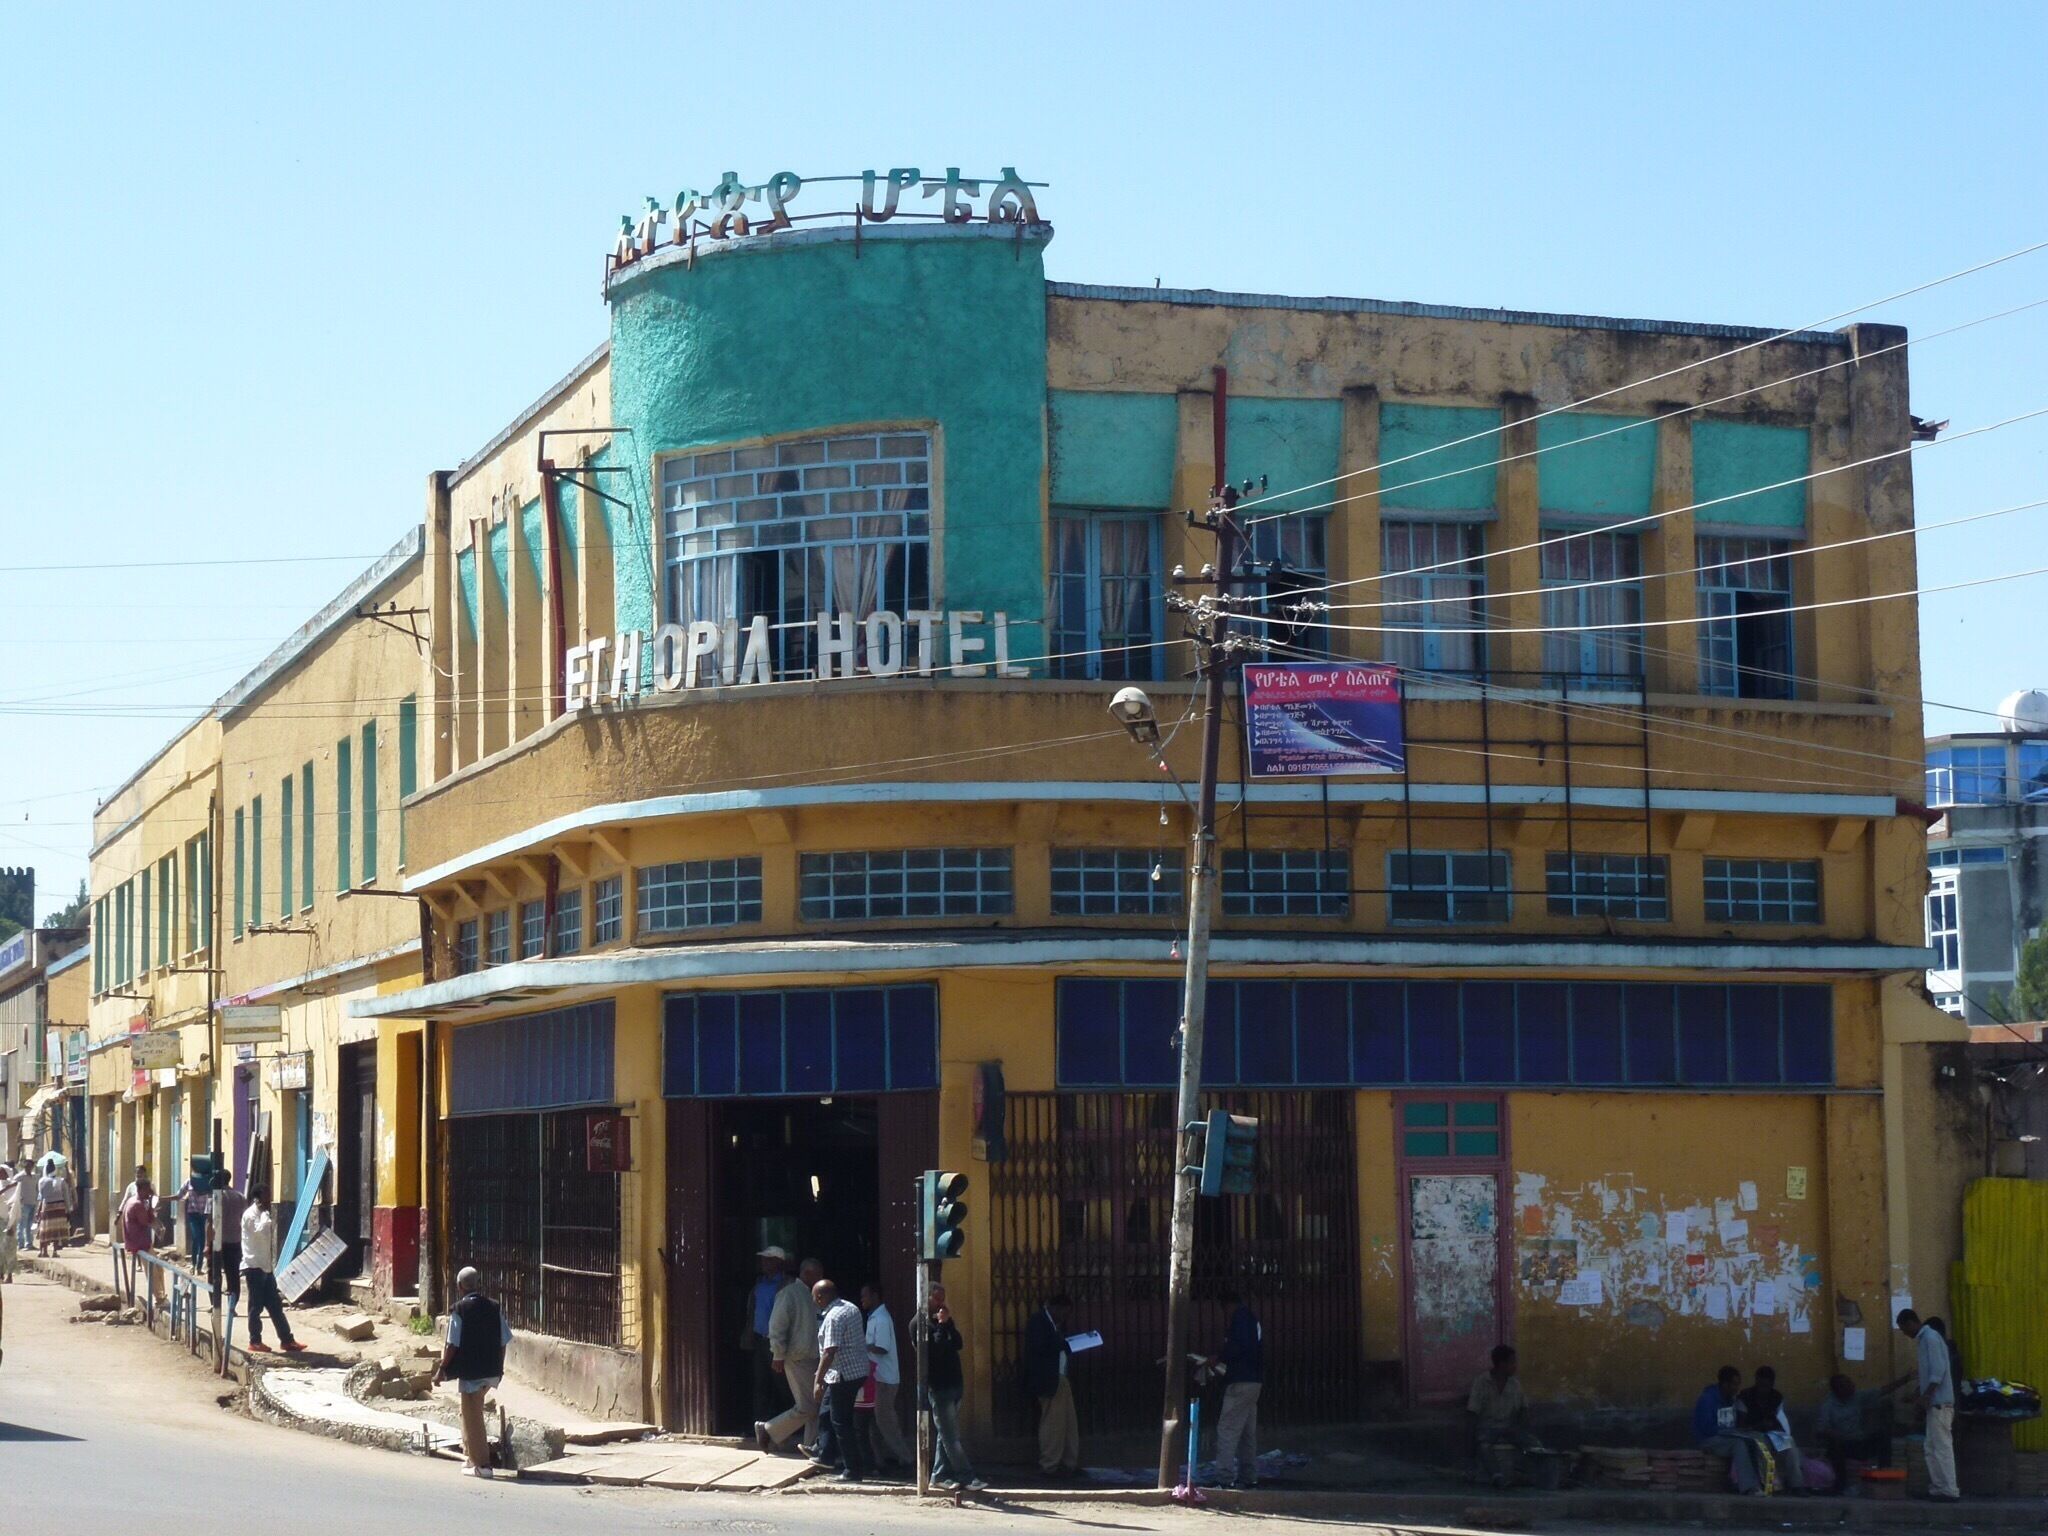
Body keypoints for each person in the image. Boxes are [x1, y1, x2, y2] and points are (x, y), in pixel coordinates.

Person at [438, 1266, 512, 1478]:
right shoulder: (493, 1307)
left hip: (471, 1373)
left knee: (473, 1417)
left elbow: (452, 1344)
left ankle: (483, 1465)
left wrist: (442, 1369)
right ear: (477, 1284)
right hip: (491, 1371)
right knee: (468, 1411)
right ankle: (470, 1457)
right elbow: (504, 1341)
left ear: (459, 1286)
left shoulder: (459, 1310)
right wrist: (499, 1368)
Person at [915, 1281, 984, 1491]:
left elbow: (957, 1343)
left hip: (954, 1384)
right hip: (939, 1387)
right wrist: (942, 1326)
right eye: (936, 1298)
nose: (940, 1303)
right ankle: (967, 1476)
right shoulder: (919, 1324)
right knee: (951, 1437)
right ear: (926, 1298)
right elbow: (934, 1351)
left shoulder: (943, 1321)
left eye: (942, 1299)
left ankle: (939, 1475)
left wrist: (947, 1324)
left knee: (945, 1435)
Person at [757, 1257, 824, 1456]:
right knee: (808, 1406)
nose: (821, 1279)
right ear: (808, 1274)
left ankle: (813, 1447)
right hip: (797, 1357)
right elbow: (777, 1326)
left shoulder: (813, 1295)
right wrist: (778, 1354)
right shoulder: (789, 1293)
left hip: (812, 1357)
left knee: (816, 1406)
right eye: (818, 1275)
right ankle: (769, 1429)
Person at [811, 1278, 872, 1484]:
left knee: (841, 1422)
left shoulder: (833, 1317)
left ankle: (852, 1469)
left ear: (820, 1297)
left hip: (844, 1375)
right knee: (826, 1410)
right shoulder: (850, 1307)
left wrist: (818, 1380)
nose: (814, 1302)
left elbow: (829, 1352)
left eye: (814, 1297)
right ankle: (824, 1452)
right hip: (854, 1371)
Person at [1897, 1309, 1959, 1500]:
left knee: (1941, 1448)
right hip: (1934, 1404)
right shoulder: (1926, 1339)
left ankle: (1949, 1490)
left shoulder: (1930, 1338)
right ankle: (1938, 1488)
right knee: (1931, 1449)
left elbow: (1938, 1372)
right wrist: (1920, 1394)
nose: (1905, 1333)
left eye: (1904, 1329)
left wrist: (1926, 1396)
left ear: (1910, 1323)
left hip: (1940, 1403)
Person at [239, 1185, 305, 1355]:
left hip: (265, 1267)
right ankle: (255, 1341)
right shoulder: (250, 1215)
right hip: (254, 1266)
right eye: (266, 1195)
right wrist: (264, 1215)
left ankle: (287, 1340)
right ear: (258, 1198)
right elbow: (260, 1232)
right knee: (255, 1307)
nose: (269, 1199)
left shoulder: (262, 1214)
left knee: (275, 1306)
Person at [1209, 1291, 1265, 1489]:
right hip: (1254, 1381)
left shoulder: (1240, 1319)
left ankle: (1224, 1477)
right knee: (1247, 1432)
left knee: (1228, 1429)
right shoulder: (1251, 1319)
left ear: (1228, 1305)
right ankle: (1249, 1475)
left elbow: (1237, 1347)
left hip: (1240, 1380)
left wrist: (1218, 1357)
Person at [1024, 1292, 1081, 1480]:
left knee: (1069, 1423)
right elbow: (1041, 1347)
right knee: (1053, 1424)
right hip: (1049, 1380)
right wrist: (1063, 1344)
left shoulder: (1053, 1324)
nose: (1065, 1316)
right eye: (1064, 1312)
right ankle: (1049, 1465)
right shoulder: (1039, 1322)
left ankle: (1069, 1462)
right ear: (1055, 1308)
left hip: (1060, 1378)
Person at [861, 1281, 913, 1473]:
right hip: (877, 1377)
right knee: (875, 1422)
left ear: (875, 1296)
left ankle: (907, 1459)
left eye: (865, 1295)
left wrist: (862, 1347)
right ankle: (879, 1460)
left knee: (886, 1422)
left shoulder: (881, 1319)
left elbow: (881, 1348)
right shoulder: (875, 1317)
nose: (862, 1299)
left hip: (884, 1378)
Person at [1815, 1373, 1896, 1491]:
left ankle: (1884, 1473)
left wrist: (1906, 1379)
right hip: (1842, 1444)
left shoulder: (1857, 1396)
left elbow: (1882, 1391)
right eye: (1847, 1384)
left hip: (1859, 1442)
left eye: (1850, 1382)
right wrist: (1833, 1434)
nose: (1852, 1385)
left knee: (1882, 1435)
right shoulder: (1828, 1405)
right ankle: (1840, 1485)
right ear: (1839, 1389)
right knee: (1835, 1446)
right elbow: (1821, 1428)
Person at [742, 1247, 793, 1423]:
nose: (764, 1263)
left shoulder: (788, 1284)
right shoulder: (760, 1283)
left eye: (769, 1259)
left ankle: (789, 1423)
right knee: (760, 1383)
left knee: (782, 1383)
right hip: (760, 1340)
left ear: (779, 1262)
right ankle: (760, 1423)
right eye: (763, 1259)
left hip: (778, 1341)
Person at [1695, 1366, 1764, 1494]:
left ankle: (1764, 1482)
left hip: (1727, 1437)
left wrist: (1741, 1431)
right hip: (1709, 1440)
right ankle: (1748, 1487)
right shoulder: (1707, 1399)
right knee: (1739, 1444)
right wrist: (1730, 1433)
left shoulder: (1731, 1400)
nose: (1737, 1388)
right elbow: (1706, 1428)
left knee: (1756, 1439)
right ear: (1724, 1384)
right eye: (1734, 1384)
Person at [207, 1169, 247, 1313]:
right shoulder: (240, 1197)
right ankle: (232, 1307)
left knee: (213, 1274)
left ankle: (214, 1304)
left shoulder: (214, 1197)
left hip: (217, 1241)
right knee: (233, 1275)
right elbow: (243, 1219)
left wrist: (207, 1244)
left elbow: (209, 1223)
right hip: (235, 1240)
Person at [119, 1175, 163, 1304]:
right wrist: (151, 1206)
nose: (149, 1192)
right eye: (147, 1190)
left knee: (158, 1268)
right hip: (139, 1242)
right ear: (140, 1189)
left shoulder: (134, 1201)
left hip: (139, 1241)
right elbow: (146, 1221)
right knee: (152, 1271)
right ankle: (158, 1297)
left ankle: (161, 1294)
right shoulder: (137, 1204)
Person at [175, 1167, 212, 1269]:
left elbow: (211, 1197)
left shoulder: (208, 1182)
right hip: (193, 1214)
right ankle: (194, 1263)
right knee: (196, 1237)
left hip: (205, 1214)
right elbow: (179, 1195)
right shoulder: (189, 1182)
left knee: (202, 1239)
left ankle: (199, 1266)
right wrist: (162, 1199)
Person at [36, 1158, 72, 1258]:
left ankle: (44, 1251)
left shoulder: (41, 1181)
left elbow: (41, 1197)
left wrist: (38, 1210)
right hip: (59, 1208)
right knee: (57, 1230)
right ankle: (55, 1252)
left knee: (45, 1229)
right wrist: (68, 1210)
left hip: (47, 1207)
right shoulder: (61, 1181)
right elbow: (66, 1197)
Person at [0, 1164, 19, 1283]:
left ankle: (10, 1275)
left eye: (2, 1172)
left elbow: (16, 1204)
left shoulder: (14, 1186)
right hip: (0, 1220)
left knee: (10, 1248)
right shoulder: (8, 1186)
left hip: (10, 1221)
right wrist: (8, 1188)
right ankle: (1, 1274)